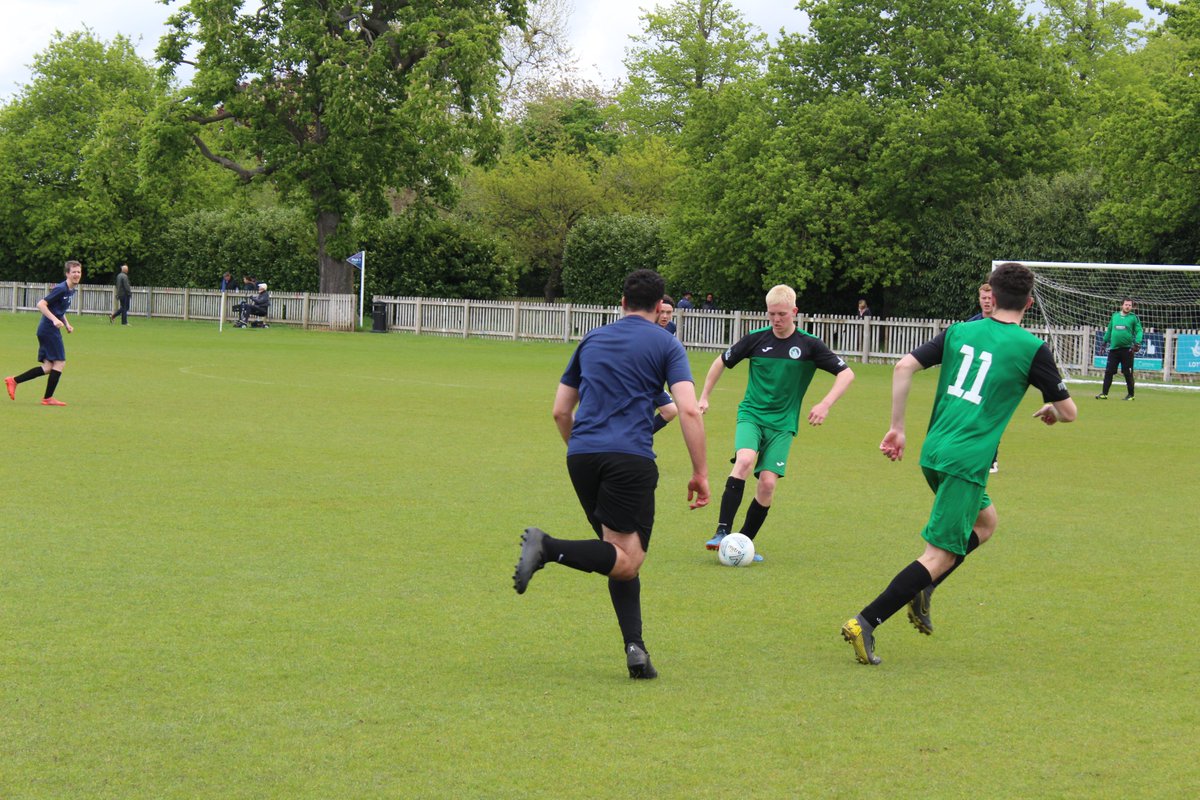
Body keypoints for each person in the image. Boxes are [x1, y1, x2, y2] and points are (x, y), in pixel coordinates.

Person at [841, 261, 1077, 666]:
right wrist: (1053, 412)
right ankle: (866, 621)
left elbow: (903, 366)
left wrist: (897, 427)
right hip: (966, 462)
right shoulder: (1031, 347)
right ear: (1030, 303)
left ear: (993, 296)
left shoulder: (959, 331)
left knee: (986, 524)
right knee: (937, 555)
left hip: (934, 451)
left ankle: (925, 587)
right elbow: (1069, 411)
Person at [512, 269, 710, 679]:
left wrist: (581, 450)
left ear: (621, 302)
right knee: (625, 558)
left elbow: (560, 411)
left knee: (618, 553)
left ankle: (635, 650)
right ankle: (547, 547)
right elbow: (687, 409)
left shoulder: (593, 338)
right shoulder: (666, 342)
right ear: (660, 308)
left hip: (582, 455)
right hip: (629, 458)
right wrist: (700, 471)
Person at [699, 284, 854, 561]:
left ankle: (743, 543)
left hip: (783, 424)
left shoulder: (809, 344)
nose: (776, 320)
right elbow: (720, 361)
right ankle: (722, 531)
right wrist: (704, 396)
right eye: (771, 314)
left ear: (794, 311)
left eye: (781, 314)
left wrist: (825, 403)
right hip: (752, 415)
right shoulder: (756, 339)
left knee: (768, 484)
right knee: (744, 461)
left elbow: (846, 374)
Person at [6, 260, 83, 407]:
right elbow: (41, 304)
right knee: (60, 363)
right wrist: (54, 320)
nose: (76, 274)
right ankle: (48, 398)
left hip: (49, 329)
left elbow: (58, 310)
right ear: (67, 273)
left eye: (78, 272)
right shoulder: (61, 288)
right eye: (73, 272)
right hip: (48, 330)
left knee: (48, 367)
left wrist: (66, 324)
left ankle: (14, 380)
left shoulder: (70, 290)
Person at [966, 283, 1000, 472]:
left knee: (991, 418)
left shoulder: (1002, 324)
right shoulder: (971, 324)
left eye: (989, 298)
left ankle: (992, 459)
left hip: (994, 378)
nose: (986, 302)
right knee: (972, 417)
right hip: (974, 379)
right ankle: (972, 454)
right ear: (979, 299)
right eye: (983, 298)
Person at [1096, 298, 1143, 401]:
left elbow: (1139, 331)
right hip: (1114, 350)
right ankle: (1104, 394)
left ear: (1132, 307)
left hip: (1127, 350)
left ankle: (1131, 395)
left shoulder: (1134, 318)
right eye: (1126, 305)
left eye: (1130, 305)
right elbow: (1109, 330)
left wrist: (1137, 342)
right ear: (1122, 305)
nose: (1127, 307)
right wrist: (1104, 342)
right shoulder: (1115, 316)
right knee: (1109, 371)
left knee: (1128, 373)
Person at [652, 295, 679, 434]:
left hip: (656, 383)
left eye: (668, 313)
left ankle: (640, 439)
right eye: (661, 312)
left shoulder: (671, 327)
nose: (665, 316)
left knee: (670, 411)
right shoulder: (646, 327)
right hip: (640, 382)